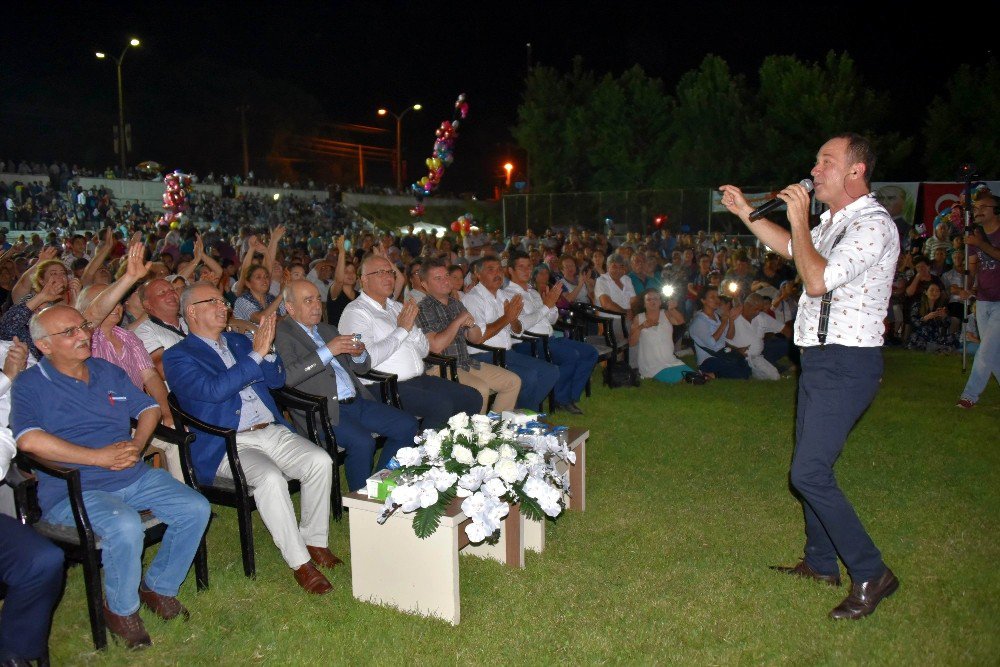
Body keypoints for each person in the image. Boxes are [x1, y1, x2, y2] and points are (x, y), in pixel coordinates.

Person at [720, 132, 900, 620]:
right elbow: (793, 251)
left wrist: (799, 218)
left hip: (848, 361)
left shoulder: (872, 226)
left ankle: (871, 572)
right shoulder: (836, 222)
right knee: (811, 466)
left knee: (808, 473)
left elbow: (816, 279)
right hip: (821, 359)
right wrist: (745, 213)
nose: (815, 168)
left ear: (855, 171)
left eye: (827, 161)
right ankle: (821, 563)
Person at [12, 305, 210, 648]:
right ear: (43, 345)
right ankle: (120, 609)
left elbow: (147, 407)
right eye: (70, 332)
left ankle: (159, 586)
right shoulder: (29, 384)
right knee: (125, 525)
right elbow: (28, 439)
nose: (84, 335)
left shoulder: (106, 371)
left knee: (195, 507)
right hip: (73, 488)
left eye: (83, 327)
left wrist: (136, 444)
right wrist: (96, 457)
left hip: (131, 474)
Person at [164, 285, 340, 595]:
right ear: (191, 311)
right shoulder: (178, 356)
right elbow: (214, 391)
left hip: (269, 429)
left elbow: (275, 380)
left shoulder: (236, 340)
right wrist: (256, 354)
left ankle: (315, 541)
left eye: (223, 300)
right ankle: (301, 563)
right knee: (271, 479)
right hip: (228, 442)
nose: (223, 306)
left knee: (320, 460)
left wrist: (268, 350)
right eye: (213, 301)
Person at [275, 279, 417, 492]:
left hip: (356, 401)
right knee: (363, 443)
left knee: (407, 425)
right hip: (321, 411)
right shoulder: (282, 333)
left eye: (317, 299)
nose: (316, 305)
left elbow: (361, 367)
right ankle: (361, 502)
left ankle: (380, 486)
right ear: (290, 307)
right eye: (308, 300)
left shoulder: (327, 329)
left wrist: (359, 355)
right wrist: (327, 351)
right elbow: (287, 376)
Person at [339, 255, 481, 429]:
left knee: (472, 397)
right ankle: (427, 451)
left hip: (417, 379)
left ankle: (455, 447)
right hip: (382, 386)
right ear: (364, 280)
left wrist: (410, 331)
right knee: (441, 405)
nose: (388, 277)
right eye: (380, 272)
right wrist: (402, 330)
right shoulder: (356, 312)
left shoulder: (397, 307)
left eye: (390, 272)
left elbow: (424, 350)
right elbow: (366, 360)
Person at [416, 259, 521, 414]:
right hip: (440, 368)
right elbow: (436, 347)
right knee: (480, 389)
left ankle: (497, 429)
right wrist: (458, 321)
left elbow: (476, 338)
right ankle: (478, 435)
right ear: (425, 285)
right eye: (438, 278)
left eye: (446, 276)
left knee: (512, 381)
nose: (445, 281)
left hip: (465, 362)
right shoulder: (423, 308)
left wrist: (471, 326)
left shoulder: (455, 304)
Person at [460, 256, 559, 412]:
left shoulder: (503, 296)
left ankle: (521, 413)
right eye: (491, 269)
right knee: (530, 376)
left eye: (500, 269)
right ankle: (521, 416)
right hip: (484, 355)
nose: (497, 273)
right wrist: (507, 318)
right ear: (477, 274)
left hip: (507, 353)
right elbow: (479, 337)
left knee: (550, 371)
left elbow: (518, 329)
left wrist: (512, 320)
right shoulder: (473, 299)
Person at [506, 253, 597, 414]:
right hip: (527, 343)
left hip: (550, 338)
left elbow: (552, 319)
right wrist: (546, 306)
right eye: (521, 267)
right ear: (510, 270)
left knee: (590, 353)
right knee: (571, 355)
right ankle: (561, 399)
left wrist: (551, 304)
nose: (527, 270)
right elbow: (521, 325)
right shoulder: (508, 295)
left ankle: (570, 396)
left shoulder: (533, 292)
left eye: (529, 266)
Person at [957, 191, 1000, 407]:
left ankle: (969, 396)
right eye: (976, 208)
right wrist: (968, 288)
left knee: (985, 351)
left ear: (996, 211)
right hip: (983, 300)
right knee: (994, 353)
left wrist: (980, 243)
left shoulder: (987, 236)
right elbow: (973, 265)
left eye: (984, 207)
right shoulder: (976, 234)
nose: (978, 211)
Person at [628, 288, 693, 383]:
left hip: (671, 360)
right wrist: (641, 327)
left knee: (693, 377)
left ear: (660, 302)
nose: (652, 301)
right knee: (685, 380)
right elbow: (631, 343)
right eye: (649, 299)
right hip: (651, 365)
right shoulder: (639, 318)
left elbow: (680, 322)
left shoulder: (666, 313)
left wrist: (672, 309)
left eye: (655, 299)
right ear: (644, 303)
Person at [688, 286, 750, 379]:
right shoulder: (699, 321)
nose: (717, 300)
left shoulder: (717, 316)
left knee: (746, 367)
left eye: (717, 297)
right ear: (703, 300)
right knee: (740, 372)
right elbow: (711, 343)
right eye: (712, 297)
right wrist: (724, 323)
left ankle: (714, 375)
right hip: (708, 360)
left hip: (722, 355)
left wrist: (731, 320)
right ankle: (710, 374)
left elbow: (729, 337)